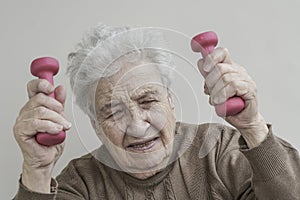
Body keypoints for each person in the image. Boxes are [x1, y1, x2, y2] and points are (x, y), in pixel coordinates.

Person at [13, 23, 300, 200]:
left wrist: (253, 127)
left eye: (148, 101)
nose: (137, 125)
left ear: (170, 100)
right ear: (95, 124)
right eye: (113, 113)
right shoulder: (81, 184)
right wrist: (36, 172)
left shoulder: (221, 151)